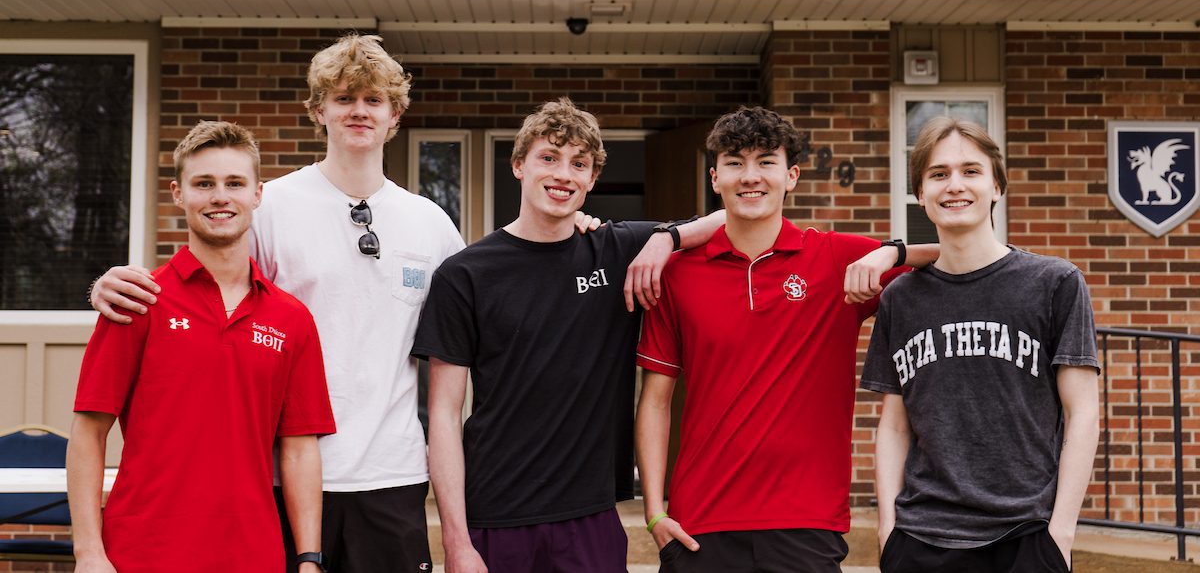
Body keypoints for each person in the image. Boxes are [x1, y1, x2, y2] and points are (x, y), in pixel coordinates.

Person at [89, 34, 465, 572]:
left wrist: (583, 229)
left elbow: (486, 306)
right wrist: (104, 285)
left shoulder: (430, 223)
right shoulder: (270, 206)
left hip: (390, 474)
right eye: (343, 98)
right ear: (318, 111)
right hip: (277, 476)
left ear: (395, 115)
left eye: (374, 100)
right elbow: (203, 292)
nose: (358, 111)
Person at [412, 97, 733, 573]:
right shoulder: (465, 275)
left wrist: (666, 238)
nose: (563, 174)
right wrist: (456, 543)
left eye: (578, 164)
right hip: (496, 514)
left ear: (591, 179)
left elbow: (733, 218)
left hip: (590, 515)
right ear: (519, 165)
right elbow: (442, 414)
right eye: (549, 158)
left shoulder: (615, 248)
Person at [634, 106, 936, 573]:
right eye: (735, 162)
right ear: (715, 178)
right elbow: (655, 400)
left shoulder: (836, 259)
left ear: (791, 176)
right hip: (699, 523)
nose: (750, 176)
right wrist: (655, 511)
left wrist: (891, 252)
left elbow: (967, 253)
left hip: (806, 522)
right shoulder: (677, 276)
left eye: (766, 162)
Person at [67, 121, 335, 573]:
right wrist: (89, 552)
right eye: (203, 184)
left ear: (257, 194)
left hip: (253, 554)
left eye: (234, 183)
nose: (219, 197)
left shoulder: (291, 318)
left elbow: (299, 448)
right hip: (141, 553)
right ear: (178, 193)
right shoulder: (138, 300)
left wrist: (309, 559)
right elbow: (88, 433)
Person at [862, 117, 1099, 573]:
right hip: (920, 538)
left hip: (1026, 534)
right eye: (938, 174)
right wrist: (887, 531)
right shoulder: (901, 298)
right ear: (920, 194)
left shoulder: (1054, 283)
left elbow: (1083, 413)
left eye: (971, 171)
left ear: (997, 188)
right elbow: (893, 426)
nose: (954, 185)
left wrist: (1060, 535)